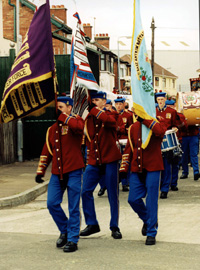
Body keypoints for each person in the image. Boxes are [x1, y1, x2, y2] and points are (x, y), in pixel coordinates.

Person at [35, 95, 84, 253]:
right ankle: (65, 229)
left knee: (73, 207)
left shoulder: (76, 121)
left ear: (69, 108)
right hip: (58, 172)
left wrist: (64, 116)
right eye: (58, 108)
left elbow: (79, 128)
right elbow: (47, 151)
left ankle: (72, 239)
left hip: (74, 170)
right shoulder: (52, 129)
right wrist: (41, 170)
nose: (58, 111)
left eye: (61, 107)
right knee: (52, 203)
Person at [80, 91, 123, 239]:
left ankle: (114, 226)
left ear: (104, 101)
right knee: (85, 191)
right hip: (94, 160)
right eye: (93, 100)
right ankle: (92, 223)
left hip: (110, 159)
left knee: (112, 194)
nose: (94, 102)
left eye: (97, 100)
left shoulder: (112, 114)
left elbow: (110, 122)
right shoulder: (89, 117)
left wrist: (95, 110)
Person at [119, 115, 167, 245]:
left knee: (151, 201)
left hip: (153, 167)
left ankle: (151, 232)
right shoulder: (133, 127)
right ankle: (148, 220)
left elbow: (160, 132)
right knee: (133, 199)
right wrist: (123, 168)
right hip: (137, 167)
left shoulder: (158, 121)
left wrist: (145, 120)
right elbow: (129, 148)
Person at [155, 92, 180, 199]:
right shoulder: (152, 111)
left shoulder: (172, 112)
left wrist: (175, 128)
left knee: (167, 166)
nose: (160, 101)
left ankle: (165, 189)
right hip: (156, 142)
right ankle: (158, 186)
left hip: (167, 143)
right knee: (156, 166)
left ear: (165, 99)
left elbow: (176, 124)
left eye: (162, 99)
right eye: (158, 99)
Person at [114, 97, 133, 191]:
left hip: (125, 141)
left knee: (125, 162)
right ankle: (117, 181)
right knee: (116, 163)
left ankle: (125, 183)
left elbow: (130, 128)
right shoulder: (112, 114)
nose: (118, 106)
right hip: (115, 141)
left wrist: (120, 129)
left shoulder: (128, 115)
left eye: (120, 104)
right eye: (116, 104)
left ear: (124, 104)